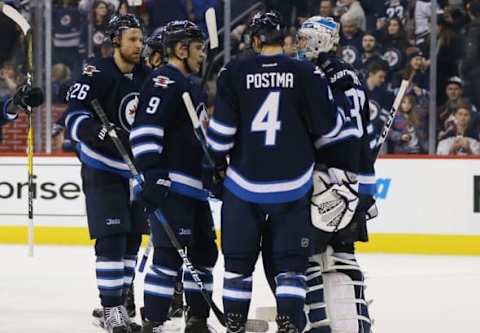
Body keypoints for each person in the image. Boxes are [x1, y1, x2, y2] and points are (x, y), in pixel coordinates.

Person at [204, 11, 345, 332]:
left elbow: (222, 134)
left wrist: (212, 166)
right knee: (290, 267)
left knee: (238, 266)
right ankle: (289, 324)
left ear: (255, 39)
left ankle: (236, 324)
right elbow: (330, 128)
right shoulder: (307, 72)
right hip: (293, 187)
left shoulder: (234, 72)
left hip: (243, 186)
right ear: (284, 39)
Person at [130, 20, 218, 333]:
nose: (202, 55)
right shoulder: (164, 80)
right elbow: (144, 132)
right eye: (198, 48)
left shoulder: (188, 85)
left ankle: (197, 321)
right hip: (173, 187)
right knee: (168, 257)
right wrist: (153, 175)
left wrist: (213, 172)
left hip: (194, 190)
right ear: (181, 49)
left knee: (204, 254)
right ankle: (152, 322)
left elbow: (197, 140)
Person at [64, 14, 149, 333]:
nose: (138, 46)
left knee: (131, 241)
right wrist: (99, 132)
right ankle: (111, 308)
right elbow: (72, 118)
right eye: (132, 39)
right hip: (103, 168)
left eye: (141, 40)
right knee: (111, 240)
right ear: (116, 40)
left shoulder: (146, 76)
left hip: (136, 172)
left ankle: (121, 306)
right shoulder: (94, 72)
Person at [294, 16, 375, 332]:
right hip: (353, 179)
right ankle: (361, 325)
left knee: (308, 258)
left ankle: (319, 326)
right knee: (345, 257)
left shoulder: (317, 75)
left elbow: (317, 128)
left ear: (320, 41)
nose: (300, 46)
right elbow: (361, 131)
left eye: (305, 40)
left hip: (323, 179)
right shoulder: (353, 76)